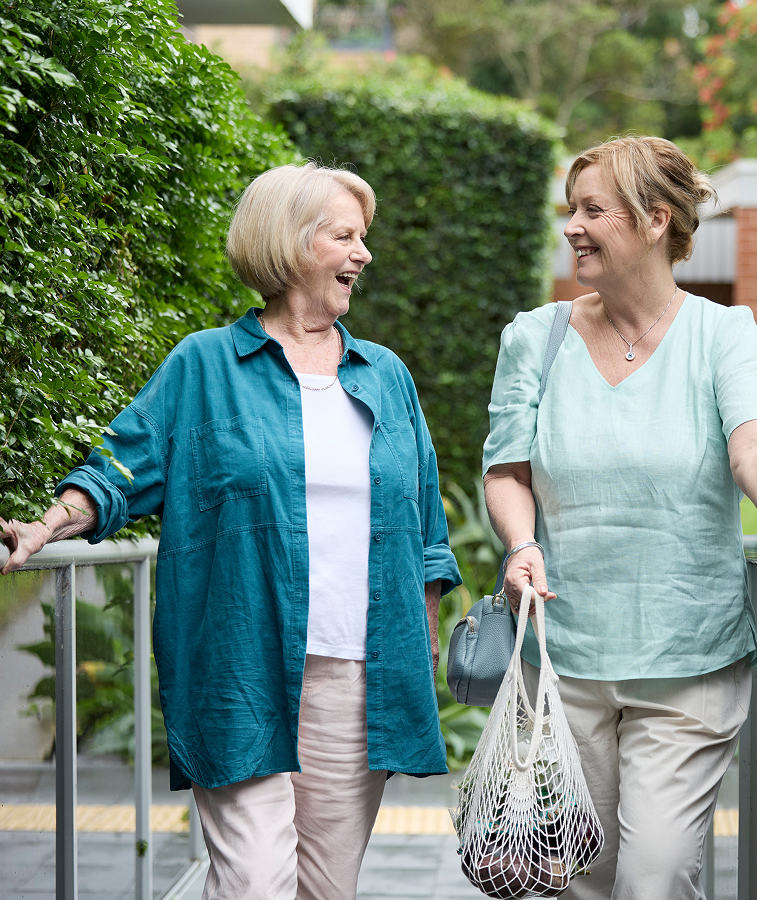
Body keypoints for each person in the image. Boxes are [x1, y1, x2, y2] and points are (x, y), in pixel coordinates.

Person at [0, 162, 462, 900]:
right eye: (344, 236)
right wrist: (45, 527)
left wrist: (426, 635)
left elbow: (426, 523)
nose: (363, 253)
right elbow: (121, 468)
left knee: (327, 887)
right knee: (250, 880)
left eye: (362, 237)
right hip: (239, 664)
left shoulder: (386, 376)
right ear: (288, 245)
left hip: (359, 669)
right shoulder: (205, 365)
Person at [482, 135, 757, 900]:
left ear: (655, 220)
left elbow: (755, 433)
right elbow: (507, 469)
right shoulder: (535, 339)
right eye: (570, 209)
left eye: (593, 210)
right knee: (586, 878)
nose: (572, 225)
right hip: (566, 652)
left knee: (653, 877)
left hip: (689, 655)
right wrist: (520, 544)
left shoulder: (721, 333)